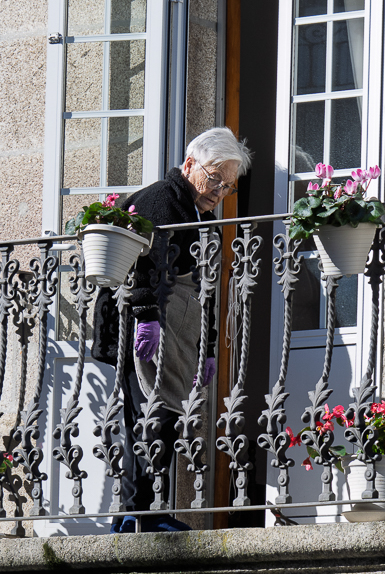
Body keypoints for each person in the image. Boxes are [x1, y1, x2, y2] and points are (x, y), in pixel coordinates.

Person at [93, 127, 253, 533]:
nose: (219, 191)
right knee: (146, 418)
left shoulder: (205, 219)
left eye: (228, 185)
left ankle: (148, 512)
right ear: (189, 164)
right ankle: (137, 516)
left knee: (163, 420)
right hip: (140, 330)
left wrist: (208, 348)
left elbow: (206, 291)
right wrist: (146, 314)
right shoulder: (161, 199)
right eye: (214, 178)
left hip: (178, 336)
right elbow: (142, 260)